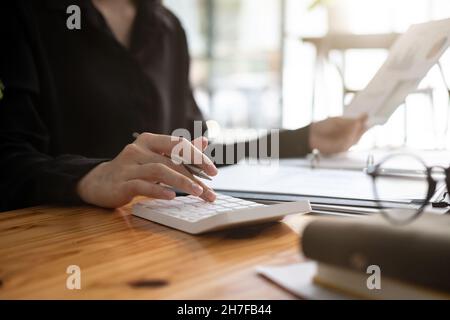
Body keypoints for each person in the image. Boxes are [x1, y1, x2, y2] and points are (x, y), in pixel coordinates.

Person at [0, 0, 367, 212]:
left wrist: (303, 139)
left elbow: (196, 153)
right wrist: (91, 177)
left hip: (160, 236)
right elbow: (8, 161)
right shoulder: (25, 16)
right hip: (59, 243)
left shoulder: (167, 27)